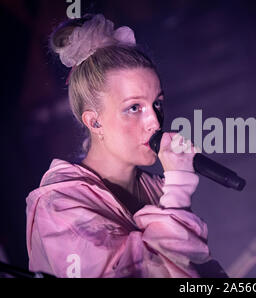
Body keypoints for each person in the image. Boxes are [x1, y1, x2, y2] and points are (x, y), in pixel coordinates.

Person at [25, 13, 227, 278]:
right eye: (134, 107)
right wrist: (178, 187)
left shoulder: (156, 188)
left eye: (157, 104)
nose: (155, 121)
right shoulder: (60, 205)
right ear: (94, 122)